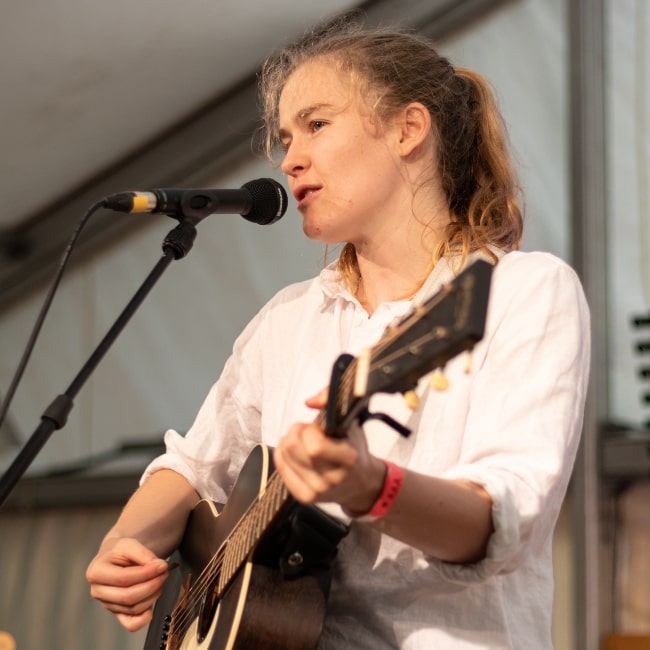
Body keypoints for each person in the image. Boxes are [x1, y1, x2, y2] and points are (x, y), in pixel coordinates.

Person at [86, 17, 590, 649]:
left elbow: (500, 520)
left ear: (408, 129)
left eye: (317, 124)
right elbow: (193, 466)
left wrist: (372, 486)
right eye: (286, 137)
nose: (290, 158)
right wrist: (125, 545)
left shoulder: (523, 290)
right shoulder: (288, 319)